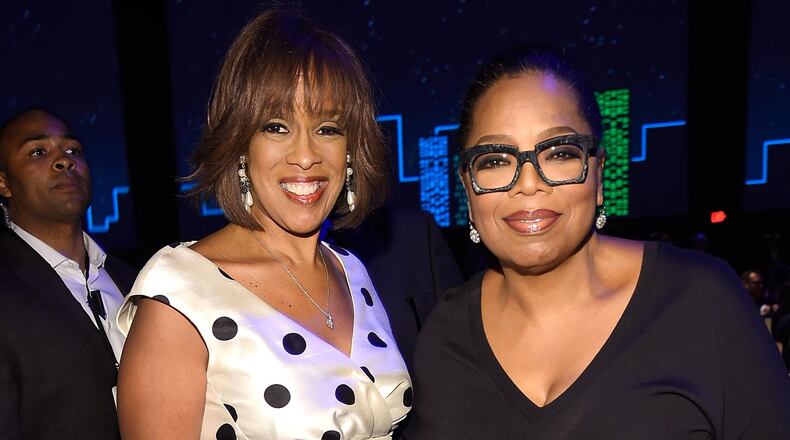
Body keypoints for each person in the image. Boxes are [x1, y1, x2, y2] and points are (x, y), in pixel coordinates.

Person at [404, 45, 790, 438]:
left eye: (558, 153)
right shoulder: (444, 336)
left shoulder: (700, 300)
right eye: (495, 160)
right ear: (468, 186)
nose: (529, 182)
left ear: (598, 174)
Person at [116, 10, 411, 439]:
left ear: (351, 149)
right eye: (277, 127)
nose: (306, 155)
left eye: (327, 128)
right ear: (240, 145)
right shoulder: (180, 293)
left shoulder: (351, 271)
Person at [0, 108, 134, 439]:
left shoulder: (138, 281)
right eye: (38, 152)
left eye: (73, 150)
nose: (64, 161)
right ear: (3, 184)